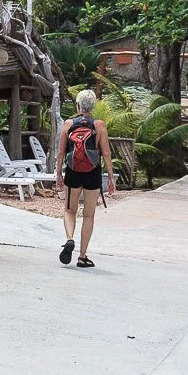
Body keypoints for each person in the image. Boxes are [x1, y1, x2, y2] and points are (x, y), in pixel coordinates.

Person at [56, 88, 113, 268]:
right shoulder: (99, 125)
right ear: (93, 106)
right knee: (88, 215)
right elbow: (106, 153)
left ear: (78, 105)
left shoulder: (68, 124)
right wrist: (111, 177)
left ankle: (69, 239)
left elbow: (60, 152)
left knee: (69, 211)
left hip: (73, 172)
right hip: (92, 173)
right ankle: (82, 256)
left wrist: (58, 174)